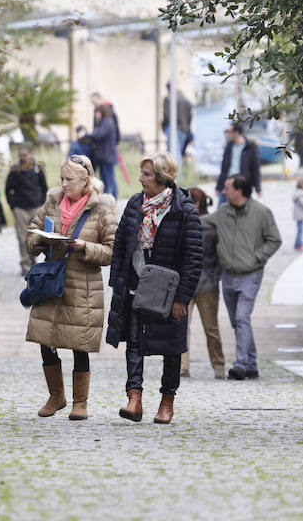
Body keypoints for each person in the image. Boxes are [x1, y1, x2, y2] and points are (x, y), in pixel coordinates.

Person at [106, 152, 202, 424]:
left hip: (169, 294)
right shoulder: (136, 203)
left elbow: (194, 258)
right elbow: (121, 246)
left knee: (171, 348)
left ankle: (166, 402)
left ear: (162, 178)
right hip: (136, 288)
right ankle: (133, 399)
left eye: (146, 175)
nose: (140, 179)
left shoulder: (184, 210)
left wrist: (182, 297)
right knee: (134, 343)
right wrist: (118, 284)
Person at [24, 154, 118, 421]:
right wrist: (41, 240)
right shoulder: (52, 203)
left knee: (79, 344)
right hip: (50, 282)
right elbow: (32, 232)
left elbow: (113, 251)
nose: (64, 184)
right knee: (45, 339)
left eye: (70, 179)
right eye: (62, 178)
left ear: (85, 181)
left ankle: (80, 402)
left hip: (82, 287)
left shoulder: (101, 210)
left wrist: (84, 247)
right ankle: (56, 396)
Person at [201, 174, 281, 380]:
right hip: (228, 275)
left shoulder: (262, 213)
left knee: (242, 318)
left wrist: (257, 257)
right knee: (238, 322)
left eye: (228, 188)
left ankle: (241, 364)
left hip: (250, 275)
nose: (224, 191)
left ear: (240, 191)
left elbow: (274, 240)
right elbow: (201, 222)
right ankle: (251, 364)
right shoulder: (223, 212)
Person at [180, 187, 226, 379]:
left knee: (209, 327)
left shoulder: (210, 227)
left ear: (196, 203)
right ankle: (183, 366)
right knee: (183, 326)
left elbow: (219, 255)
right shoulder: (184, 223)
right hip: (191, 283)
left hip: (205, 283)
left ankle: (218, 364)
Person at [5, 145, 48, 276]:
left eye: (25, 154)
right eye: (20, 155)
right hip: (20, 208)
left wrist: (41, 204)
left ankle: (33, 259)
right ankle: (25, 264)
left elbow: (44, 188)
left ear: (31, 154)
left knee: (35, 236)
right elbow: (8, 189)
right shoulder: (15, 170)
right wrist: (13, 205)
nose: (22, 157)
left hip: (35, 207)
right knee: (21, 237)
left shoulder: (37, 169)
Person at [215, 122, 262, 207]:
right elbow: (224, 169)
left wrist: (258, 188)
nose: (227, 134)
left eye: (229, 131)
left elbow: (256, 169)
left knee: (243, 213)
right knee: (220, 211)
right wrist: (218, 187)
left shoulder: (251, 147)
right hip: (227, 184)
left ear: (236, 133)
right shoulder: (228, 147)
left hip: (242, 185)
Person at [84, 103, 119, 198]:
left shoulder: (107, 122)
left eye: (97, 113)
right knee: (105, 180)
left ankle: (114, 198)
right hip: (105, 157)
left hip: (107, 157)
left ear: (101, 112)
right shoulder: (106, 122)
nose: (96, 116)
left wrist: (86, 135)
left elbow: (98, 135)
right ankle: (105, 198)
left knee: (109, 179)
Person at [162, 82, 193, 157]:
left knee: (174, 154)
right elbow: (190, 116)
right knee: (177, 153)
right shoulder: (185, 100)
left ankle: (175, 169)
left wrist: (163, 126)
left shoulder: (168, 99)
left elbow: (166, 116)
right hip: (184, 129)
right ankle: (177, 168)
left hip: (173, 128)